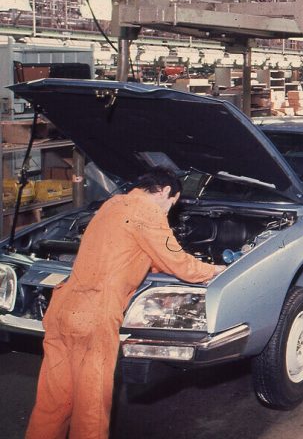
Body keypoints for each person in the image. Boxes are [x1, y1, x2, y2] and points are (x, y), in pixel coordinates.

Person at [26, 168, 225, 439]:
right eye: (172, 203)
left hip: (62, 308)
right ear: (166, 191)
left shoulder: (113, 204)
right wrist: (214, 270)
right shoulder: (149, 212)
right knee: (91, 406)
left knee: (53, 401)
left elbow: (130, 251)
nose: (169, 210)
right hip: (94, 314)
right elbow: (180, 263)